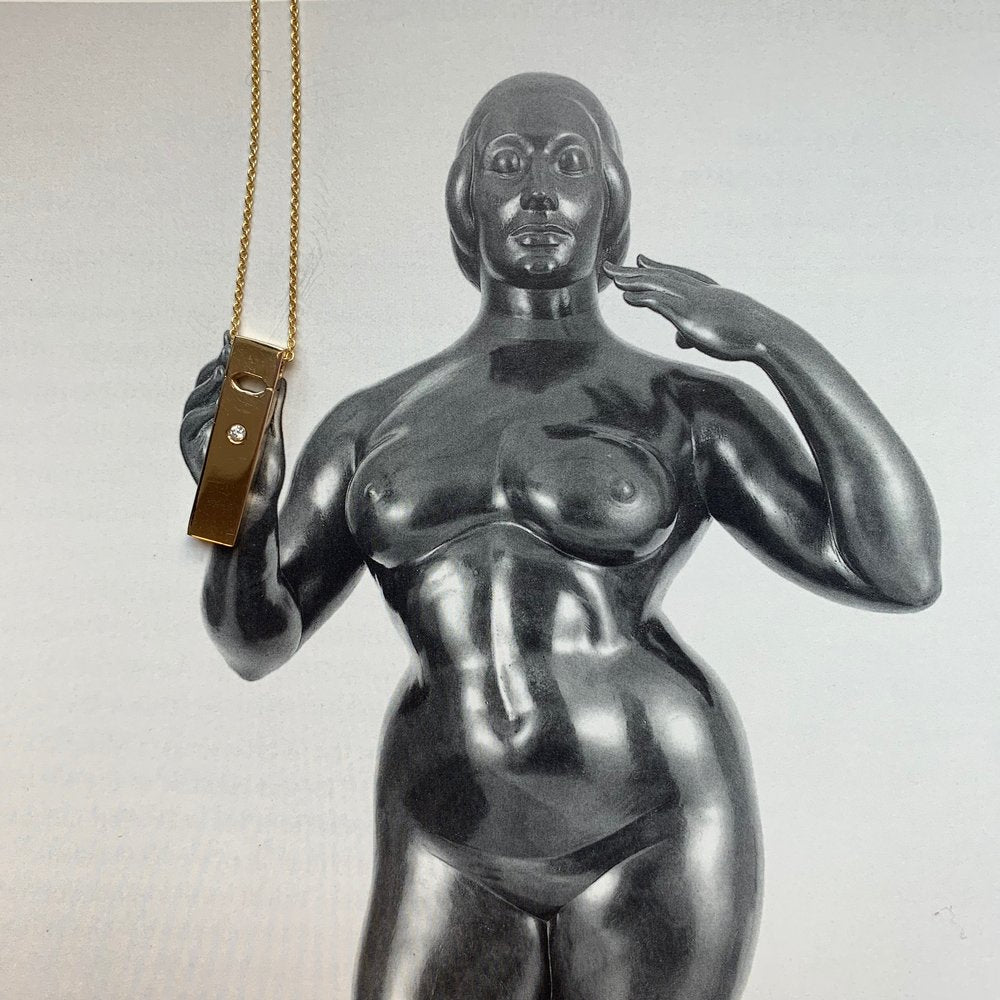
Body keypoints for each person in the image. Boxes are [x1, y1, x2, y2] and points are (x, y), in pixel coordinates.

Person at [180, 73, 940, 1000]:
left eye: (569, 163)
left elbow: (899, 568)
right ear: (466, 202)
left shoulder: (680, 405)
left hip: (653, 819)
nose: (540, 191)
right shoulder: (372, 421)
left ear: (607, 200)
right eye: (508, 164)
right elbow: (254, 643)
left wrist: (771, 341)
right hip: (445, 824)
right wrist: (238, 510)